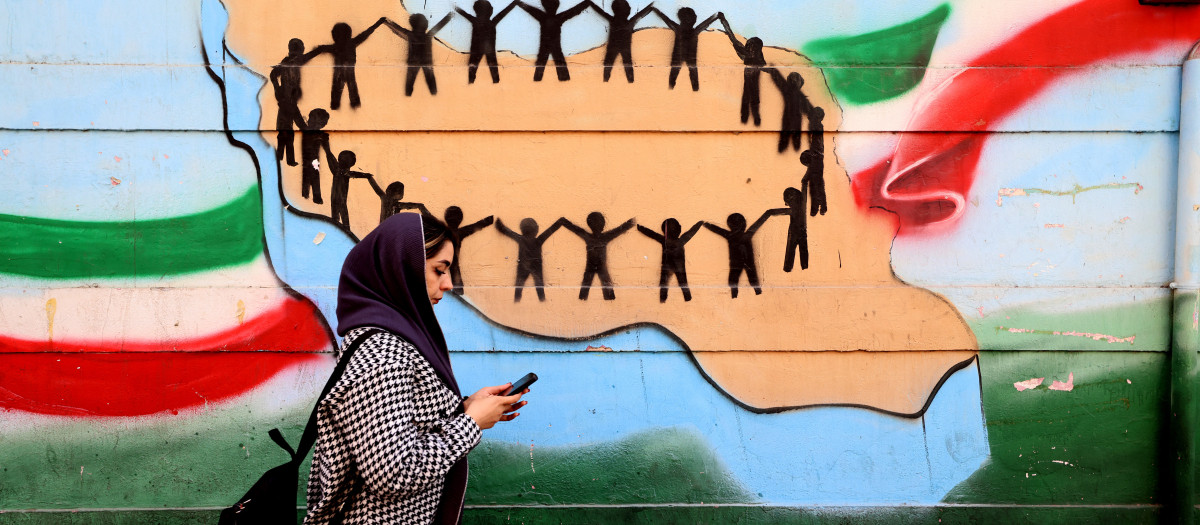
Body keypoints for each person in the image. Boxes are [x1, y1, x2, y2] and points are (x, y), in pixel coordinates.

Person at [306, 213, 528, 524]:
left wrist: (467, 408)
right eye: (439, 270)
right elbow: (392, 474)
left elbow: (401, 425)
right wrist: (470, 424)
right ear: (401, 268)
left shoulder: (395, 340)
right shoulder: (384, 355)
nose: (448, 284)